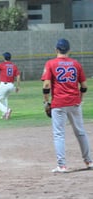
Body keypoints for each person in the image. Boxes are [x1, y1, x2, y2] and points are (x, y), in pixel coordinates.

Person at [41, 38, 93, 173]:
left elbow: (46, 85)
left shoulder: (51, 63)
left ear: (56, 50)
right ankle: (89, 161)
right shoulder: (76, 64)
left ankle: (62, 165)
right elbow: (84, 86)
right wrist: (80, 99)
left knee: (59, 134)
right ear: (69, 50)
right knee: (80, 132)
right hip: (74, 102)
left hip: (58, 103)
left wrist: (46, 102)